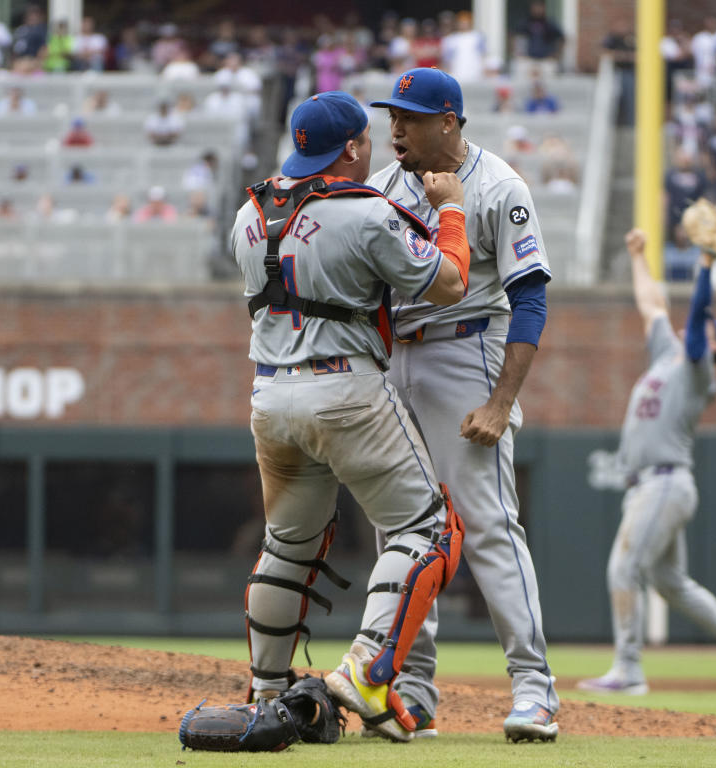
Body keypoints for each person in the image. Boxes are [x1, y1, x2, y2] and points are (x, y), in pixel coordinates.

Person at [230, 90, 471, 743]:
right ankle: (366, 670)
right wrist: (450, 209)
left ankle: (266, 693)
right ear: (352, 149)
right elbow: (449, 280)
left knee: (287, 547)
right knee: (428, 530)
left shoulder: (249, 213)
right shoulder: (364, 210)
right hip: (345, 390)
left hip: (271, 395)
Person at [366, 67, 557, 742]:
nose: (395, 128)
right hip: (395, 357)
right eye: (392, 114)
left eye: (410, 117)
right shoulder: (385, 186)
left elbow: (530, 296)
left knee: (488, 523)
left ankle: (535, 691)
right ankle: (411, 694)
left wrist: (503, 402)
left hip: (467, 349)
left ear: (448, 122)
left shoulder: (499, 185)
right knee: (402, 532)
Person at [577, 228, 716, 695]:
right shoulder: (668, 354)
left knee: (623, 569)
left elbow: (701, 310)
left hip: (663, 483)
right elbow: (651, 306)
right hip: (655, 486)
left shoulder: (698, 368)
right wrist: (638, 256)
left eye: (705, 329)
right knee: (671, 582)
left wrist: (705, 264)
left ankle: (629, 670)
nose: (692, 326)